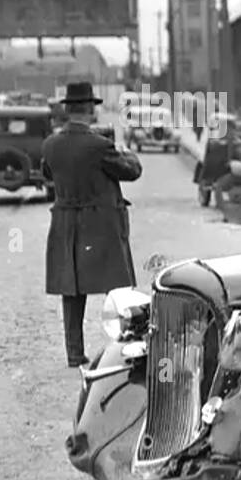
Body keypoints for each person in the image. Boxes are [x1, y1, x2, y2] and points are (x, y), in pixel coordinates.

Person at [41, 81, 142, 368]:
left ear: (67, 110)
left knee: (71, 290)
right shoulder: (100, 146)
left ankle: (74, 353)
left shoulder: (51, 144)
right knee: (118, 288)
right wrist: (124, 151)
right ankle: (125, 346)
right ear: (89, 110)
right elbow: (131, 171)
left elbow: (47, 173)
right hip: (101, 223)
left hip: (65, 224)